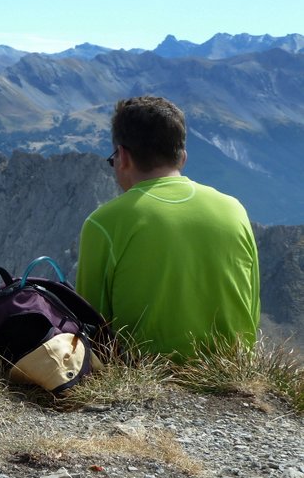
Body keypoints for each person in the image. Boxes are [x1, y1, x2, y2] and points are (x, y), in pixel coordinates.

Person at [76, 96, 260, 358]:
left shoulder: (104, 223)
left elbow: (91, 324)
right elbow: (251, 307)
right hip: (233, 373)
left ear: (123, 157)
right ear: (182, 157)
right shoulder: (234, 210)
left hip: (144, 378)